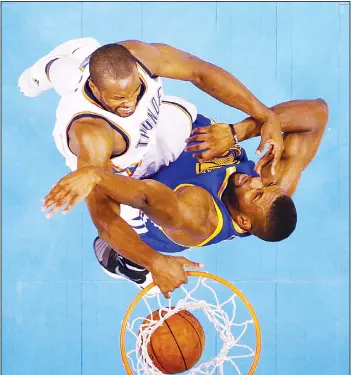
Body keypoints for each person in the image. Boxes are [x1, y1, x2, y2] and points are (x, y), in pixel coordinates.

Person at [20, 37, 285, 294]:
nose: (129, 104)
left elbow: (200, 72)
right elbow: (103, 217)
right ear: (98, 90)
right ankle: (47, 69)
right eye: (119, 100)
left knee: (175, 119)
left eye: (135, 92)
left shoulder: (141, 57)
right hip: (121, 163)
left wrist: (265, 116)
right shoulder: (91, 135)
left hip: (148, 135)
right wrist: (154, 261)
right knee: (67, 74)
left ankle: (81, 55)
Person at [42, 99, 329, 298]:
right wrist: (239, 131)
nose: (255, 179)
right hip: (170, 148)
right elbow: (317, 115)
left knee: (94, 134)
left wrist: (95, 176)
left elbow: (146, 197)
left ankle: (129, 259)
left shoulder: (201, 215)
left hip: (142, 197)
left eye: (256, 192)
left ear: (242, 219)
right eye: (265, 184)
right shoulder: (270, 193)